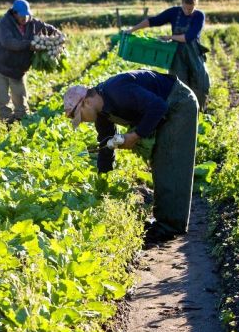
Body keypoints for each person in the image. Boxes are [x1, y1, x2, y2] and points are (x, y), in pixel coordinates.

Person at [63, 70, 199, 245]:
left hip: (179, 103)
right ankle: (163, 221)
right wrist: (102, 179)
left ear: (87, 102)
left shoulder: (117, 90)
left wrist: (134, 136)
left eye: (80, 117)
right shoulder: (101, 113)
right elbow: (105, 142)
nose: (83, 121)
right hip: (165, 107)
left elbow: (158, 107)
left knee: (171, 162)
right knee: (160, 162)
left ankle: (170, 227)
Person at [125, 0, 210, 110]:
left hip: (193, 54)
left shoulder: (199, 16)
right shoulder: (174, 12)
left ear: (195, 6)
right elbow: (154, 21)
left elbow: (190, 36)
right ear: (181, 4)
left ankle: (200, 111)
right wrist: (132, 29)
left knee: (200, 82)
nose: (187, 11)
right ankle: (181, 112)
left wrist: (170, 37)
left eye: (190, 9)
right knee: (179, 84)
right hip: (177, 54)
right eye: (185, 8)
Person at [0, 0, 62, 122]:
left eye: (27, 15)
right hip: (1, 68)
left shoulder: (33, 23)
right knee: (3, 103)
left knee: (21, 104)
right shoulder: (5, 23)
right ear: (14, 14)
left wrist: (58, 36)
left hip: (19, 70)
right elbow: (8, 43)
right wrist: (29, 44)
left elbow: (49, 28)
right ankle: (6, 126)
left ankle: (22, 123)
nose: (25, 19)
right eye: (22, 16)